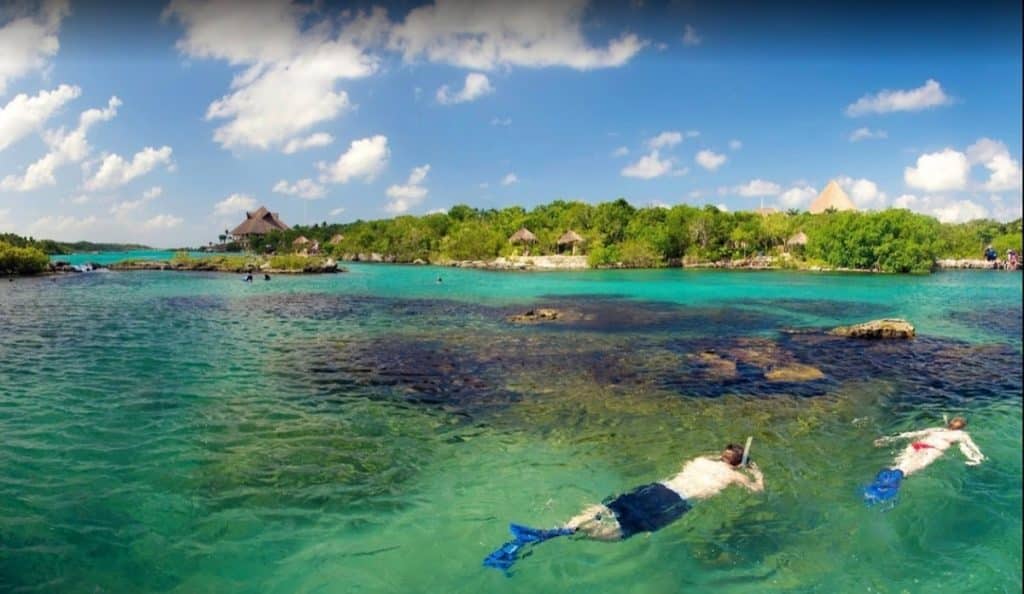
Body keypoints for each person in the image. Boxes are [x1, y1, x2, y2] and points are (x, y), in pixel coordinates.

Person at [483, 443, 764, 571]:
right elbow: (757, 491)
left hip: (657, 487)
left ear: (722, 455)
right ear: (740, 464)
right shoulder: (735, 476)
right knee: (627, 529)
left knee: (608, 511)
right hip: (675, 502)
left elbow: (709, 458)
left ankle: (556, 530)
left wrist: (730, 458)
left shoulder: (700, 461)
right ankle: (559, 535)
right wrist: (755, 470)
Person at [863, 416, 984, 505]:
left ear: (949, 424)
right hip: (931, 450)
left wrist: (888, 439)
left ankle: (877, 484)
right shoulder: (961, 435)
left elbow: (912, 434)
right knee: (904, 471)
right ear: (963, 427)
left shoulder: (937, 429)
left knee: (899, 466)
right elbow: (969, 447)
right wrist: (977, 458)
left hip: (916, 445)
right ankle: (881, 495)